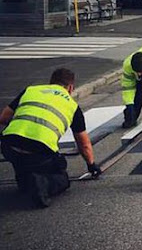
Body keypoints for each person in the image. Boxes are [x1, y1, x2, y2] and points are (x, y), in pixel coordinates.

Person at [0, 68, 102, 208]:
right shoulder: (72, 106)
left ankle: (25, 181)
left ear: (51, 82)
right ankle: (44, 184)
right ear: (70, 87)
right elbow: (83, 143)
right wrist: (91, 165)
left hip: (9, 146)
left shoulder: (31, 90)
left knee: (23, 169)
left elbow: (4, 117)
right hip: (40, 152)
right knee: (62, 176)